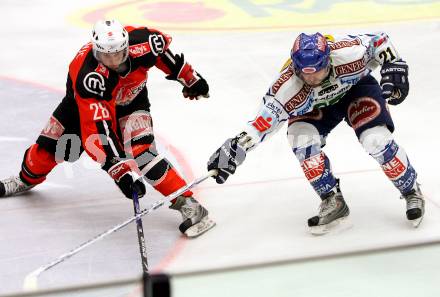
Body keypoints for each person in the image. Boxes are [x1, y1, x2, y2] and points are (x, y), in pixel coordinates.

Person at [0, 19, 215, 238]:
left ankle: (187, 202)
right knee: (49, 153)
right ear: (96, 50)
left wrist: (189, 78)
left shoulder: (145, 42)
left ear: (126, 46)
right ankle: (25, 179)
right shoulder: (89, 76)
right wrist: (119, 171)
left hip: (131, 101)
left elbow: (164, 57)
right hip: (80, 110)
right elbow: (97, 131)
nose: (113, 61)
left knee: (144, 154)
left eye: (118, 54)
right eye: (106, 56)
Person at [207, 32, 424, 234]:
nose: (310, 79)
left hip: (356, 89)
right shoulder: (287, 87)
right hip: (315, 107)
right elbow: (262, 123)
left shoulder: (348, 53)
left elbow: (380, 41)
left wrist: (393, 63)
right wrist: (235, 148)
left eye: (317, 71)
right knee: (301, 140)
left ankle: (411, 190)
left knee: (376, 140)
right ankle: (332, 199)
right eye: (303, 73)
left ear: (328, 60)